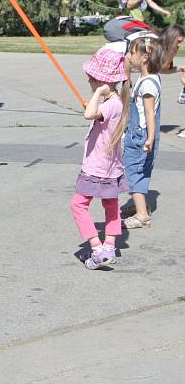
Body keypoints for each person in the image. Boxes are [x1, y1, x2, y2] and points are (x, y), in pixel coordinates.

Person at [70, 48, 130, 269]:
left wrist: (97, 94)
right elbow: (94, 112)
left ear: (104, 81)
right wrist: (98, 98)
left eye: (91, 79)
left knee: (78, 204)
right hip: (111, 167)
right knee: (111, 205)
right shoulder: (116, 103)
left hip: (97, 166)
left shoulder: (111, 104)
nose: (88, 81)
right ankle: (110, 246)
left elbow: (89, 114)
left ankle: (97, 248)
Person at [121, 33, 166, 228]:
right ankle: (142, 206)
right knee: (140, 171)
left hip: (139, 136)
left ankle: (142, 215)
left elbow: (149, 114)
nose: (129, 56)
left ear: (145, 57)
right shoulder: (149, 77)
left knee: (134, 172)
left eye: (132, 53)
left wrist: (149, 138)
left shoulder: (148, 84)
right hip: (141, 134)